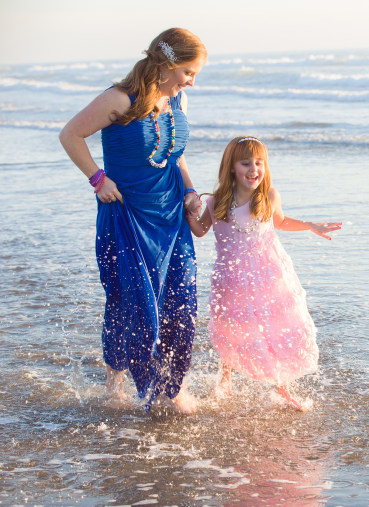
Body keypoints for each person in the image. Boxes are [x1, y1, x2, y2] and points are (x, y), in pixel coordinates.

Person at [58, 28, 206, 413]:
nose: (191, 81)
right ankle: (117, 382)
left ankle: (173, 386)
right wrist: (97, 178)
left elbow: (175, 156)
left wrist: (190, 193)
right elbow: (70, 134)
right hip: (127, 212)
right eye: (189, 71)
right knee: (132, 301)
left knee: (180, 301)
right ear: (169, 64)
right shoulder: (119, 99)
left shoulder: (179, 99)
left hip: (170, 215)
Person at [186, 136, 341, 410]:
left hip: (266, 275)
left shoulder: (268, 196)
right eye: (245, 163)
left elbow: (280, 221)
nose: (253, 169)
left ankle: (283, 386)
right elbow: (200, 230)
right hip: (231, 278)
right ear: (231, 167)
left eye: (259, 163)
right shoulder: (216, 200)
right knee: (231, 326)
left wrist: (310, 226)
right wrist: (187, 212)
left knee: (271, 327)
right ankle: (225, 380)